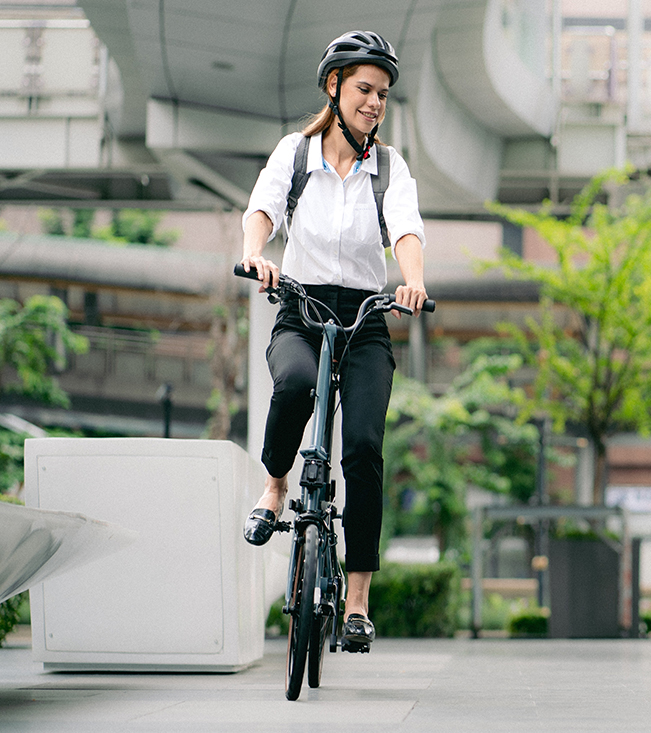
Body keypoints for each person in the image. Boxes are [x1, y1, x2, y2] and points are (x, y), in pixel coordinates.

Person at [238, 30, 428, 651]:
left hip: (367, 317)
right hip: (300, 306)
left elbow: (405, 229)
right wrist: (255, 256)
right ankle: (274, 488)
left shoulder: (389, 167)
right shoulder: (295, 155)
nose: (375, 102)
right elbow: (263, 209)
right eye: (365, 89)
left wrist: (414, 283)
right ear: (335, 87)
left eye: (383, 94)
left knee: (365, 445)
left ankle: (357, 601)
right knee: (292, 383)